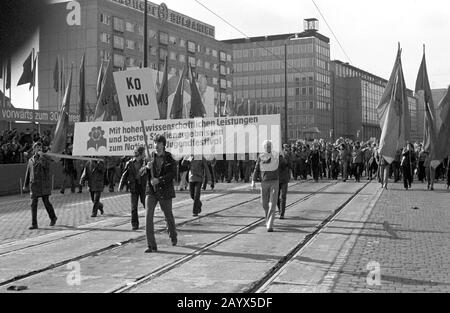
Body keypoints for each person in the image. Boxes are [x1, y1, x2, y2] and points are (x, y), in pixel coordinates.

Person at [144, 135, 177, 253]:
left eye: (159, 143)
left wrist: (160, 179)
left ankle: (173, 235)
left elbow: (173, 174)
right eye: (155, 143)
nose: (156, 146)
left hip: (165, 191)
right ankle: (151, 245)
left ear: (163, 145)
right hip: (151, 191)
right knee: (148, 217)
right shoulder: (149, 158)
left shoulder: (169, 158)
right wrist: (147, 168)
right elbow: (142, 173)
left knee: (168, 216)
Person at [23, 142, 58, 229]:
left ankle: (53, 217)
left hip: (43, 184)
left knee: (46, 202)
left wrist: (42, 157)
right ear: (34, 149)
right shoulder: (30, 160)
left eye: (40, 147)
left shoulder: (45, 158)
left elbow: (46, 167)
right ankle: (34, 224)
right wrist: (25, 184)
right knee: (33, 204)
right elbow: (28, 173)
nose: (39, 148)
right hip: (34, 185)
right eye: (37, 147)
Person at [251, 140, 280, 232]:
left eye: (269, 146)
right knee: (264, 204)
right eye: (267, 146)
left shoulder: (276, 155)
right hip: (264, 182)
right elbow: (256, 169)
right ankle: (267, 220)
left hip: (274, 181)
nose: (268, 148)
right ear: (264, 148)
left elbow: (284, 164)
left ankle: (270, 225)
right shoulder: (261, 156)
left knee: (272, 204)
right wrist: (253, 180)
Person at [119, 146, 147, 230]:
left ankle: (149, 220)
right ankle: (134, 224)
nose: (145, 154)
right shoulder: (129, 163)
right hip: (133, 187)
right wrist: (121, 185)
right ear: (139, 154)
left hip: (143, 187)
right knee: (134, 207)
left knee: (146, 204)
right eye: (143, 153)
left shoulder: (145, 163)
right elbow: (124, 175)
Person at [277, 145, 291, 219]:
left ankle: (282, 213)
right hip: (276, 179)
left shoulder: (286, 155)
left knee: (283, 196)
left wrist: (284, 159)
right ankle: (280, 209)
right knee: (276, 197)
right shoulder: (274, 156)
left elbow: (289, 164)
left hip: (284, 178)